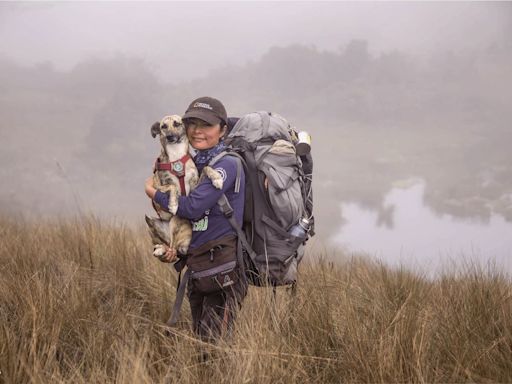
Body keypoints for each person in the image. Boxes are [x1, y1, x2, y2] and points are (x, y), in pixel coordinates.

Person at [144, 96, 247, 341]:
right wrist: (175, 252)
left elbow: (191, 208)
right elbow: (193, 223)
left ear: (222, 130)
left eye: (207, 126)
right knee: (202, 345)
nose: (198, 131)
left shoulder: (226, 165)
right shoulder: (194, 164)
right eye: (192, 124)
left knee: (215, 348)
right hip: (199, 268)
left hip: (223, 270)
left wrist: (152, 191)